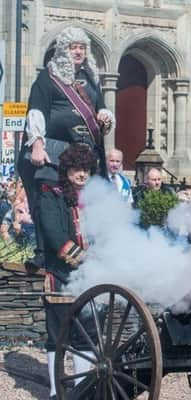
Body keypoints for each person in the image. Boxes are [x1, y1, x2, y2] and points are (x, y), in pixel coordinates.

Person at [18, 26, 114, 271]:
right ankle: (42, 252)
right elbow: (36, 111)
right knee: (46, 198)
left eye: (82, 47)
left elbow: (100, 106)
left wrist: (104, 116)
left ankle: (92, 249)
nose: (78, 52)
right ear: (63, 50)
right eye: (73, 47)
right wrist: (37, 145)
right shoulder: (48, 77)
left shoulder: (91, 77)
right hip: (54, 148)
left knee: (88, 200)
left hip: (83, 152)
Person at [39, 144, 97, 400]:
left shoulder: (97, 200)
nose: (82, 174)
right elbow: (54, 236)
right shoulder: (51, 196)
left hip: (91, 278)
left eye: (86, 169)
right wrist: (85, 259)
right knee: (58, 337)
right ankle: (54, 394)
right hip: (62, 275)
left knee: (85, 336)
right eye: (77, 168)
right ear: (66, 170)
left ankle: (82, 388)